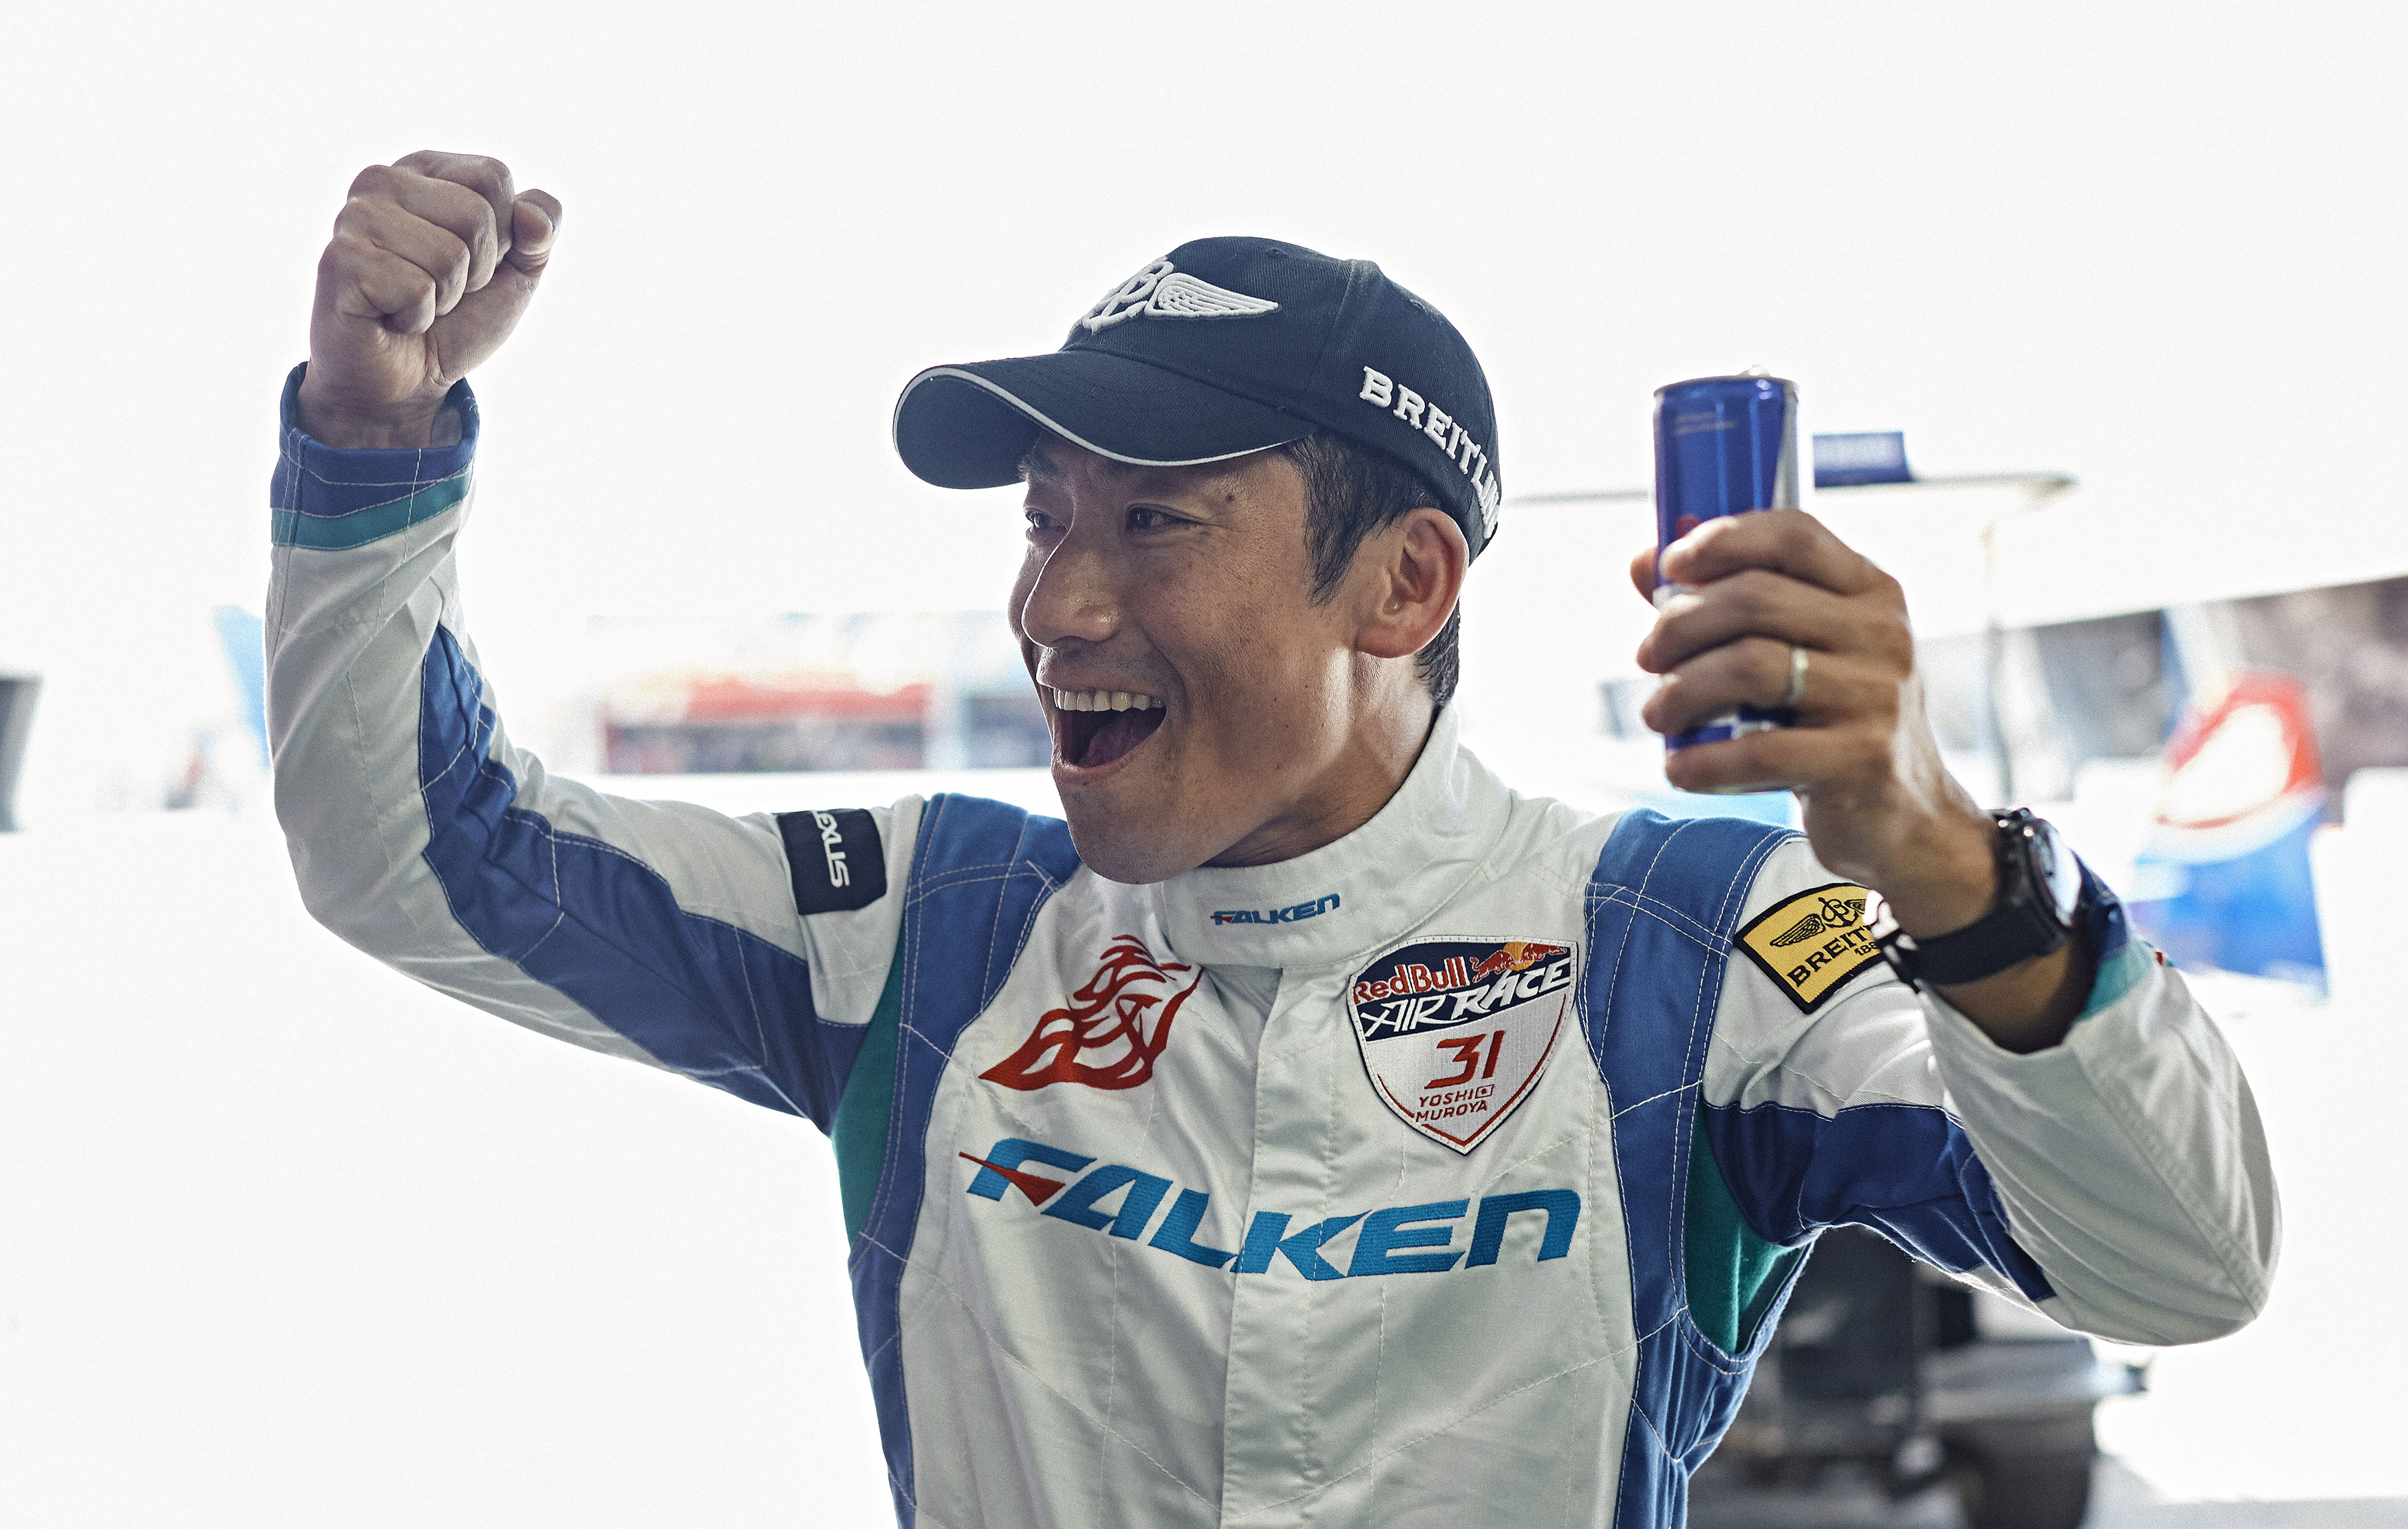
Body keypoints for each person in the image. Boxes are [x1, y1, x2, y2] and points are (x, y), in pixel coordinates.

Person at [269, 151, 2277, 1528]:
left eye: (1151, 521)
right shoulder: (935, 924)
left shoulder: (1680, 935)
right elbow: (415, 853)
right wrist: (373, 438)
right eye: (1043, 518)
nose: (1057, 604)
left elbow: (2175, 1269)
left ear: (1399, 587)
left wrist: (1945, 866)